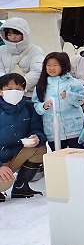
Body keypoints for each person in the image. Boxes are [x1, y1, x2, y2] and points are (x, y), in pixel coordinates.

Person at [0, 73, 47, 201]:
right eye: (9, 89)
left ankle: (21, 187)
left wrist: (37, 137)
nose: (14, 92)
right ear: (1, 91)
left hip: (13, 156)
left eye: (18, 89)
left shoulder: (28, 107)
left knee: (40, 149)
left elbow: (37, 129)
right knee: (4, 183)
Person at [31, 52, 84, 151]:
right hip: (53, 130)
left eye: (55, 65)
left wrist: (69, 96)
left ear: (63, 66)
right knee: (58, 156)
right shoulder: (41, 85)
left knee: (77, 154)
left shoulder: (73, 82)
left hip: (74, 128)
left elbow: (82, 100)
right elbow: (35, 103)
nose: (51, 68)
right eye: (48, 65)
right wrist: (43, 106)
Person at [0, 18, 45, 98]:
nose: (13, 38)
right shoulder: (1, 50)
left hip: (28, 95)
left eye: (16, 34)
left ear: (24, 34)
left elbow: (37, 71)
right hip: (4, 94)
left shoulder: (35, 51)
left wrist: (20, 87)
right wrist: (7, 87)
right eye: (9, 35)